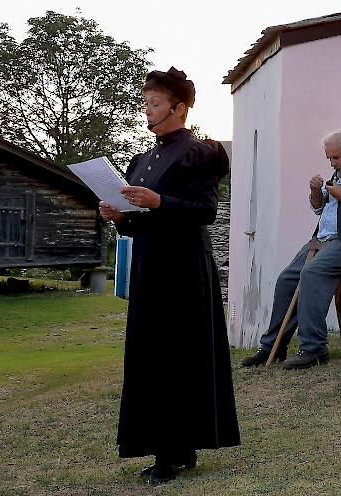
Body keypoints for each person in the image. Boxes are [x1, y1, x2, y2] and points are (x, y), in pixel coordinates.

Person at [99, 67, 240, 484]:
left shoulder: (199, 152)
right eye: (145, 102)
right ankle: (173, 447)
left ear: (178, 108)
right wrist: (121, 217)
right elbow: (141, 221)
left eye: (155, 103)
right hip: (150, 268)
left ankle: (172, 455)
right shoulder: (142, 160)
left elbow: (205, 212)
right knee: (152, 357)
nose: (147, 110)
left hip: (183, 270)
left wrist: (160, 202)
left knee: (178, 357)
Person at [242, 129, 341, 370]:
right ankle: (273, 346)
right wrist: (316, 191)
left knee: (312, 274)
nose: (332, 163)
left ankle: (313, 348)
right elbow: (318, 206)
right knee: (287, 279)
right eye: (329, 159)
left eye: (335, 157)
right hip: (323, 239)